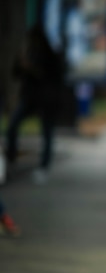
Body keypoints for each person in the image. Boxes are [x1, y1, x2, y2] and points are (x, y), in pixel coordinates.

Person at [6, 24, 64, 184]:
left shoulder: (49, 55)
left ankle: (44, 166)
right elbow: (15, 73)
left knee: (47, 133)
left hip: (46, 100)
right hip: (29, 98)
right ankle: (11, 160)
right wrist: (20, 61)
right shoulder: (27, 53)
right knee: (12, 126)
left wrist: (31, 68)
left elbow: (53, 76)